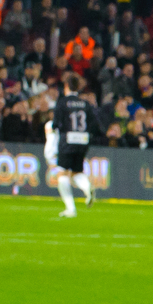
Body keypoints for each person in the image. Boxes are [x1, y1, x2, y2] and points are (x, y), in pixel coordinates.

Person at [50, 73, 102, 217]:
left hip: (68, 140)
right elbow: (94, 124)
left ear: (66, 86)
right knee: (76, 172)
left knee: (62, 172)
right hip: (83, 141)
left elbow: (55, 124)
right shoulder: (85, 104)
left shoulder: (62, 103)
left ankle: (70, 209)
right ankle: (87, 188)